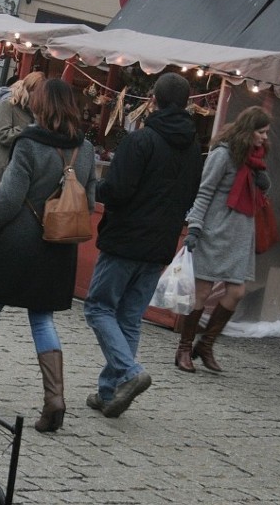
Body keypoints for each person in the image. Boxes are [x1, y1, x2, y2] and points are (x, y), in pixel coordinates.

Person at [0, 79, 96, 433]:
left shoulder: (30, 143)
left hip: (15, 241)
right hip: (57, 246)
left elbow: (8, 199)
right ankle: (54, 398)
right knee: (42, 320)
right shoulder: (84, 149)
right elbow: (88, 202)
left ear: (41, 107)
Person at [83, 72, 202, 418]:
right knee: (130, 318)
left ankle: (130, 372)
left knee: (98, 308)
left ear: (154, 99)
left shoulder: (141, 141)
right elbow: (190, 195)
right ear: (185, 103)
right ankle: (109, 392)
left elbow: (117, 190)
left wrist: (91, 188)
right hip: (161, 242)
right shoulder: (193, 147)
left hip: (126, 239)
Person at [179, 106, 272, 373]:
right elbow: (205, 191)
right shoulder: (223, 154)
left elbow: (260, 194)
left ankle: (205, 345)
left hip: (242, 233)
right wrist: (195, 226)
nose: (265, 137)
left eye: (266, 132)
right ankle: (184, 347)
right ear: (248, 130)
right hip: (215, 231)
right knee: (203, 291)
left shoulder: (257, 158)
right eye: (261, 131)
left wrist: (265, 183)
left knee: (237, 291)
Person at [0, 71, 45, 192]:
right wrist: (29, 129)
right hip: (2, 174)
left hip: (20, 174)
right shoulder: (8, 105)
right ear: (30, 89)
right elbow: (2, 135)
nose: (40, 98)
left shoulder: (35, 113)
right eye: (39, 93)